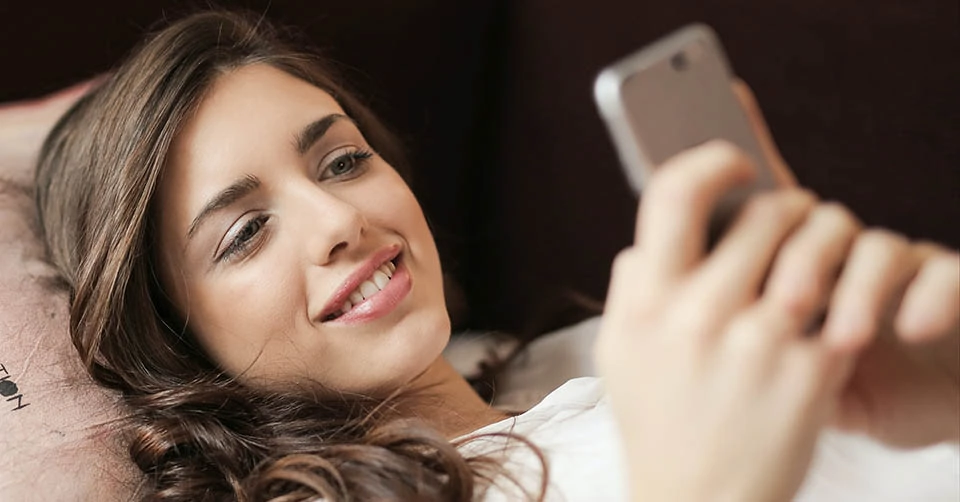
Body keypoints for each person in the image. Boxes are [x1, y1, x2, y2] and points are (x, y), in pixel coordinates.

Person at [30, 9, 958, 502]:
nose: (337, 219)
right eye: (244, 232)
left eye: (344, 160)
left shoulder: (599, 347)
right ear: (174, 339)